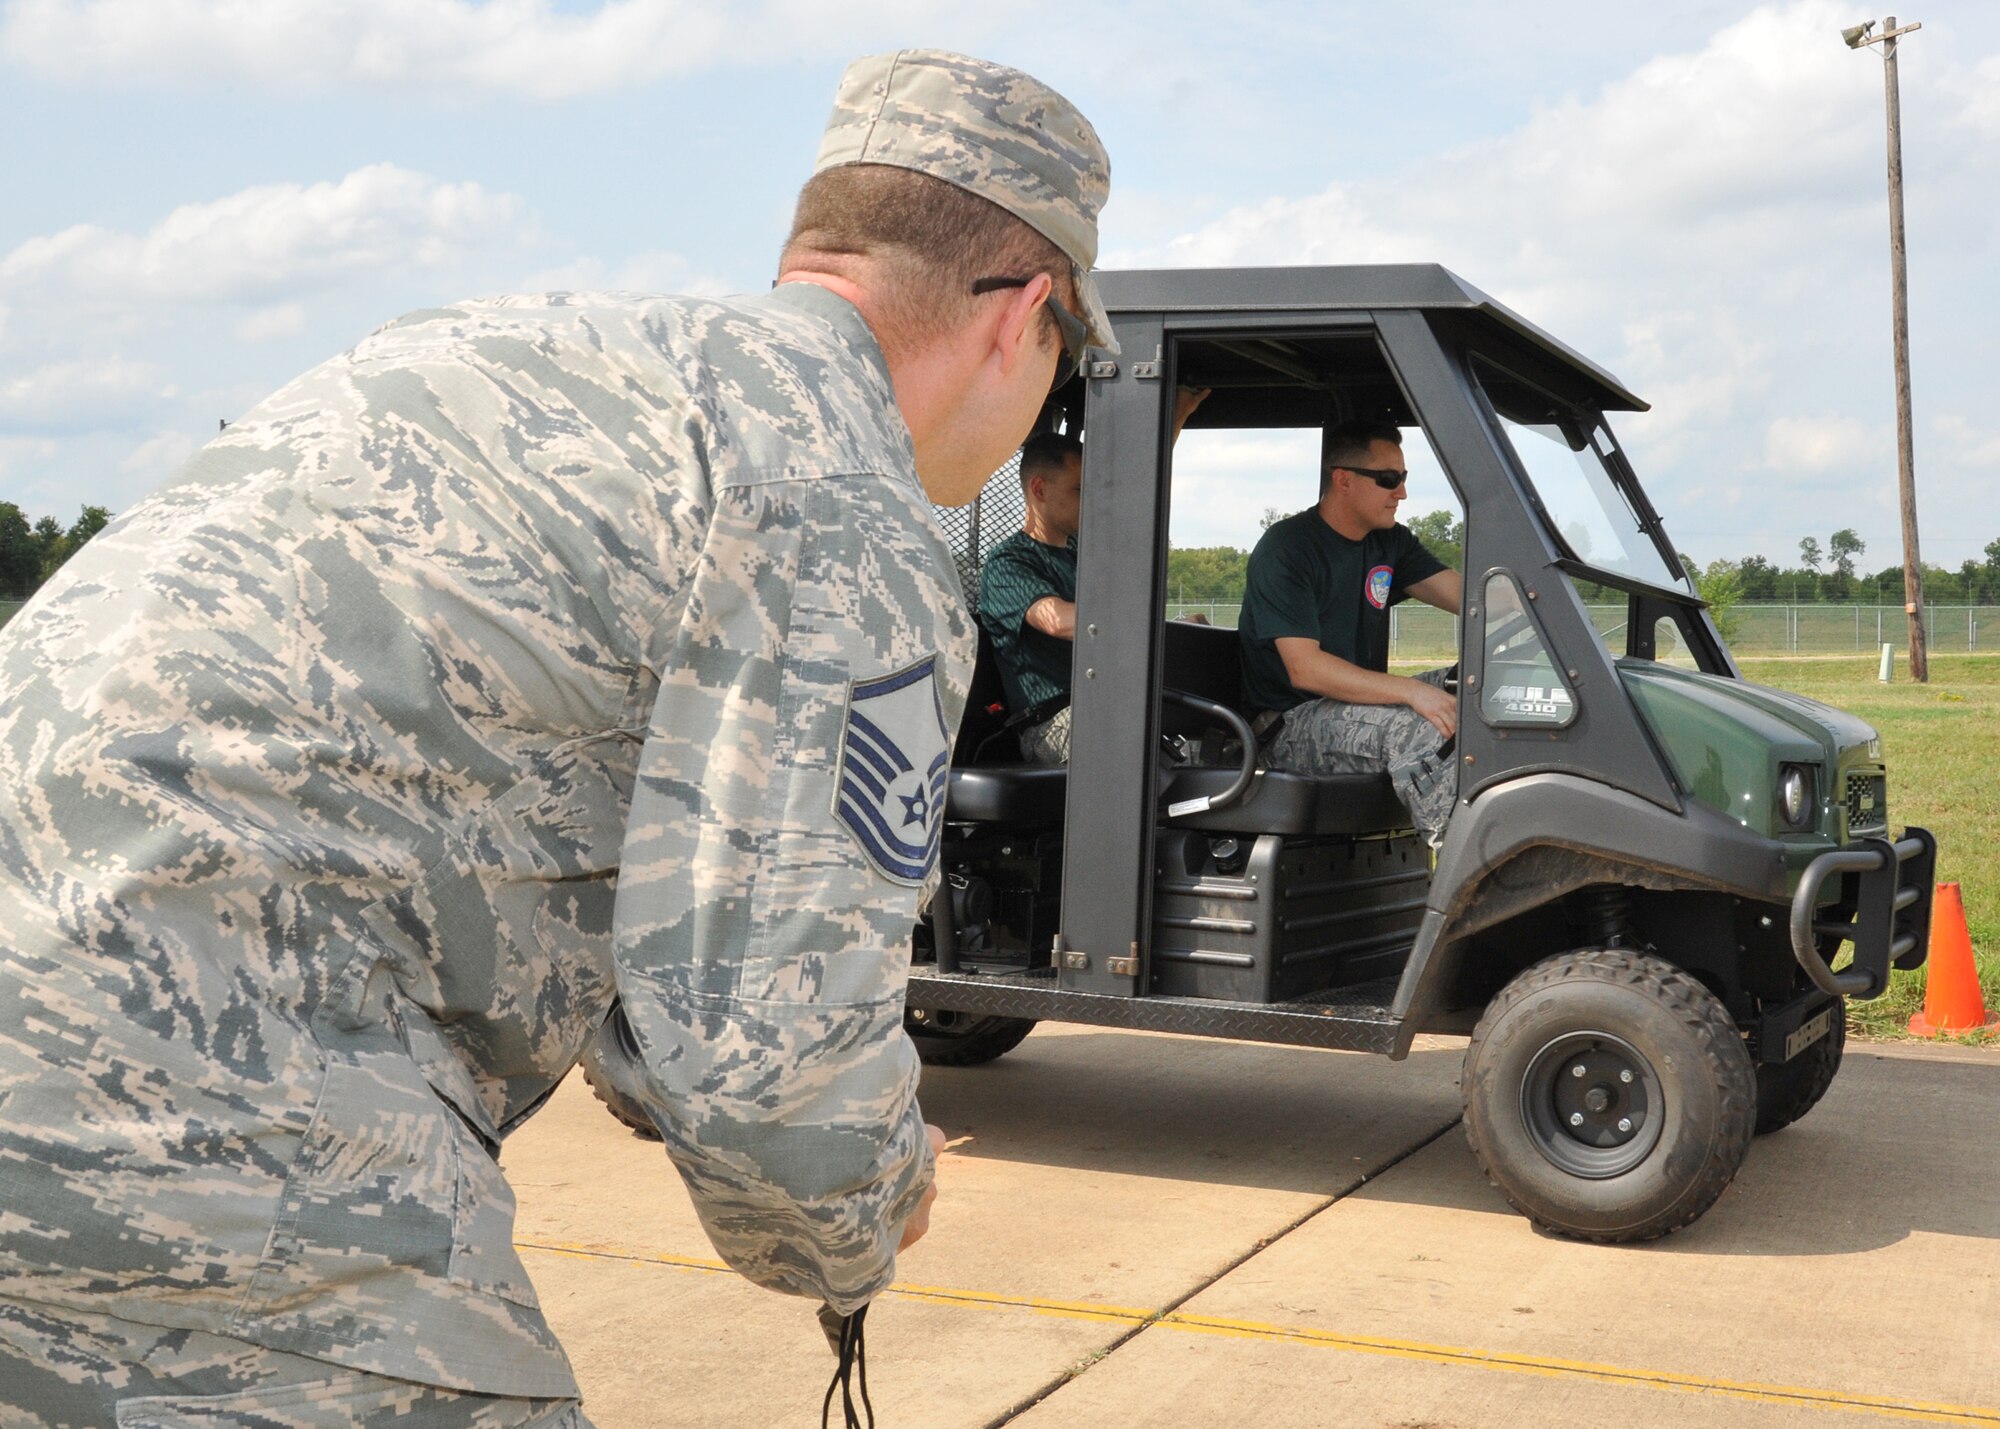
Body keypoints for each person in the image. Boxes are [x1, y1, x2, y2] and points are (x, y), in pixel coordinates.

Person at [0, 49, 1114, 1428]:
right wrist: (867, 1203)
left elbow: (529, 840)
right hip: (197, 1089)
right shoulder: (840, 496)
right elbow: (775, 1077)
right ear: (1026, 316)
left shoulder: (511, 357)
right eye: (1072, 361)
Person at [1238, 419, 1465, 845]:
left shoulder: (1391, 543)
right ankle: (1467, 869)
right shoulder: (1288, 548)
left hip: (1351, 708)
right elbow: (1305, 669)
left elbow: (1474, 601)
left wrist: (1529, 609)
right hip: (1289, 726)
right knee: (1427, 727)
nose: (1402, 493)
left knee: (1479, 689)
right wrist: (1412, 691)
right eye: (1388, 480)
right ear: (1343, 479)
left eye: (1403, 479)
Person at [977, 388, 1207, 763]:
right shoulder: (1009, 563)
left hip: (1106, 704)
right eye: (1080, 490)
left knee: (1208, 738)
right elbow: (1060, 622)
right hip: (1053, 725)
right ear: (1039, 489)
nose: (1092, 502)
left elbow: (1135, 492)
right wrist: (1148, 622)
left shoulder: (1080, 550)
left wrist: (1175, 417)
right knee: (1136, 736)